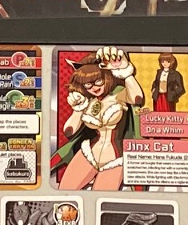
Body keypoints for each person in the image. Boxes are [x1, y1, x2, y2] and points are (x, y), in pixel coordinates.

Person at [53, 47, 143, 190]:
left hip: (114, 158)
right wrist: (78, 110)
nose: (94, 87)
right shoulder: (88, 101)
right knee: (64, 192)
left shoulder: (118, 95)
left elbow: (137, 98)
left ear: (107, 77)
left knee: (101, 200)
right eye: (88, 84)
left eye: (98, 81)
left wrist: (127, 74)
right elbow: (69, 131)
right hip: (89, 152)